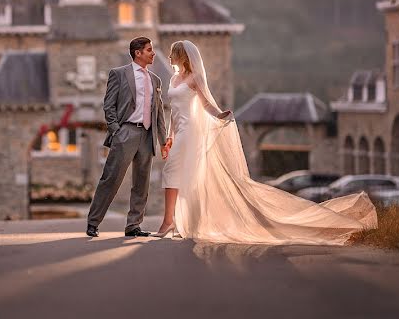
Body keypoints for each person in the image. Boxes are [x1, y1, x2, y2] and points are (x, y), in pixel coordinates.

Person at [154, 40, 377, 244]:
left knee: (191, 178)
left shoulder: (195, 79)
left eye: (173, 54)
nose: (170, 58)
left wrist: (221, 115)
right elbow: (173, 112)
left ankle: (189, 223)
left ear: (181, 56)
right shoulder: (174, 79)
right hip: (179, 132)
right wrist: (170, 137)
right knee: (171, 172)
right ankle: (169, 221)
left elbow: (206, 104)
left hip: (193, 133)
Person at [85, 36, 169, 238]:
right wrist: (116, 130)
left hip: (147, 135)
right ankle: (93, 222)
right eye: (149, 50)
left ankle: (133, 225)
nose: (153, 53)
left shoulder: (155, 80)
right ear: (137, 53)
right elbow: (109, 105)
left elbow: (159, 113)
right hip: (126, 133)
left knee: (142, 183)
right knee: (111, 179)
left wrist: (163, 140)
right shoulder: (119, 74)